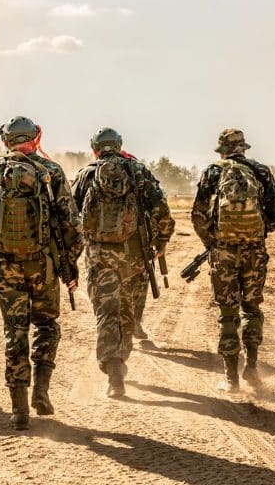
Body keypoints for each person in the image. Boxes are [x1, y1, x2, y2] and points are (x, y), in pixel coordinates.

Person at [0, 116, 83, 430]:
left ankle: (19, 410)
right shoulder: (51, 171)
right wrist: (69, 265)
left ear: (6, 140)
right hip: (43, 266)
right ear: (35, 137)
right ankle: (42, 391)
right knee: (47, 325)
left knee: (14, 332)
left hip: (6, 267)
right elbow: (72, 225)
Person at [72, 128, 174, 397]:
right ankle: (120, 362)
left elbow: (70, 217)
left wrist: (73, 254)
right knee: (127, 313)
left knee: (107, 312)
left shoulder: (86, 175)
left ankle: (113, 371)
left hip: (99, 257)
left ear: (95, 148)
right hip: (134, 256)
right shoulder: (137, 170)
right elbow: (161, 210)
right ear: (119, 146)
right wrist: (160, 243)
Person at [191, 128, 275, 392]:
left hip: (223, 252)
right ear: (244, 148)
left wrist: (212, 242)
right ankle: (252, 368)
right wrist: (259, 233)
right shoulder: (261, 172)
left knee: (228, 312)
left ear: (221, 150)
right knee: (251, 309)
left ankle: (231, 378)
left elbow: (198, 215)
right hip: (254, 252)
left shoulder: (212, 172)